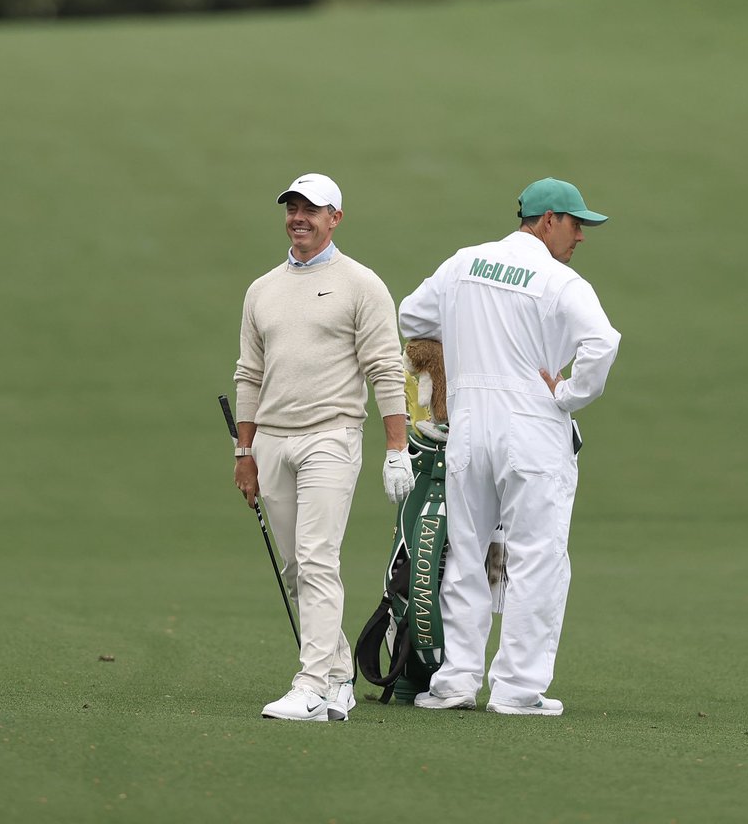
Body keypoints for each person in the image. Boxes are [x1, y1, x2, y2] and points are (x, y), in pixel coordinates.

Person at [398, 177, 621, 716]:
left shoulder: (463, 263)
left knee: (467, 556)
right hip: (533, 428)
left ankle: (455, 682)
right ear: (547, 220)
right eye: (576, 223)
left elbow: (411, 316)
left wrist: (469, 345)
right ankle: (517, 690)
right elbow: (603, 343)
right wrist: (568, 393)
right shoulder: (558, 280)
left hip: (471, 429)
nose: (581, 236)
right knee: (537, 558)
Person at [233, 172, 415, 722]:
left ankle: (310, 685)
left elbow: (386, 367)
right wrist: (244, 453)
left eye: (312, 209)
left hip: (331, 437)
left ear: (335, 217)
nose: (299, 217)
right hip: (272, 442)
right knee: (295, 569)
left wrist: (396, 448)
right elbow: (248, 374)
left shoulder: (361, 284)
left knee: (316, 559)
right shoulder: (262, 289)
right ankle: (338, 676)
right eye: (292, 207)